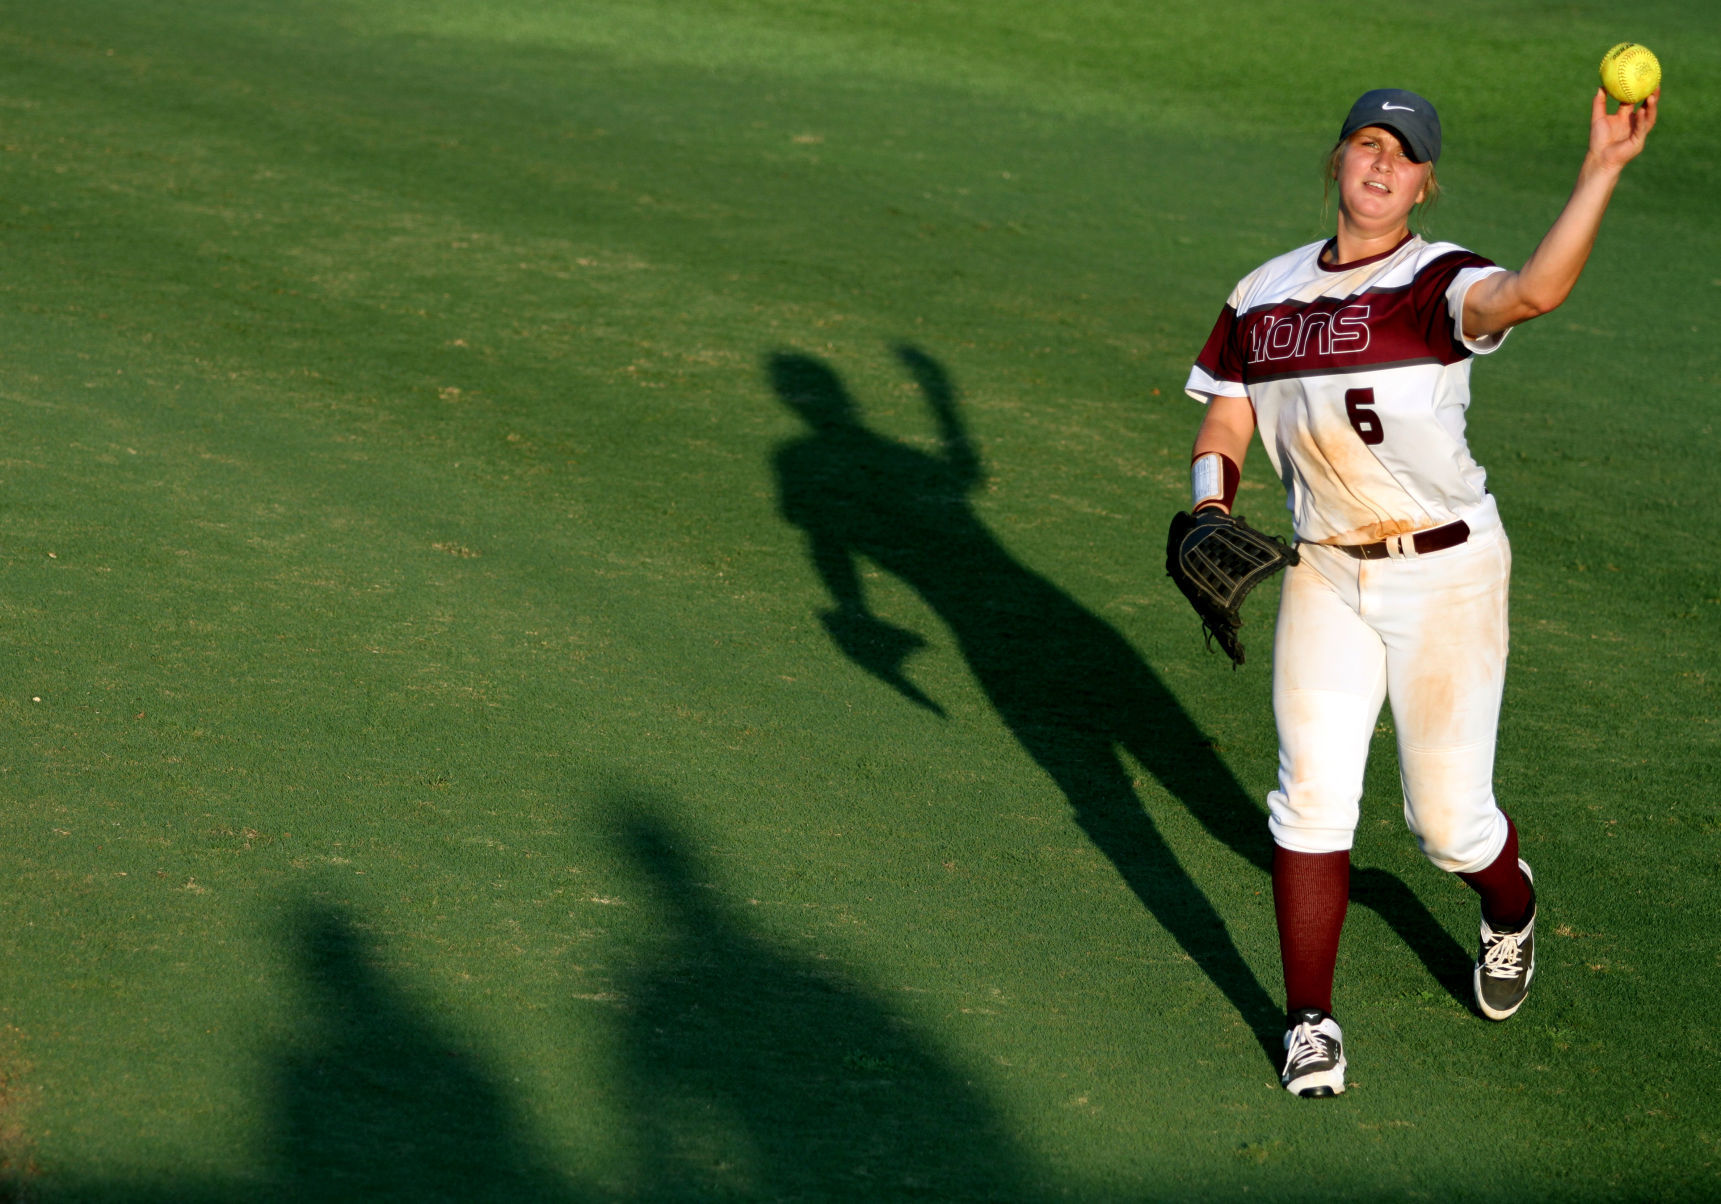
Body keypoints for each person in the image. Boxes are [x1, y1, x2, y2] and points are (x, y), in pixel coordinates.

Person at [1180, 85, 1658, 1097]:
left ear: (1424, 179)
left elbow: (1527, 294)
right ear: (1337, 160)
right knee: (1307, 799)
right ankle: (1308, 1020)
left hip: (1446, 574)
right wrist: (1206, 507)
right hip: (1321, 570)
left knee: (1446, 823)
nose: (1380, 164)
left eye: (1402, 153)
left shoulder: (1437, 282)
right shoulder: (1260, 295)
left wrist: (1600, 169)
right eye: (1365, 144)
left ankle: (1507, 901)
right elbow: (1225, 418)